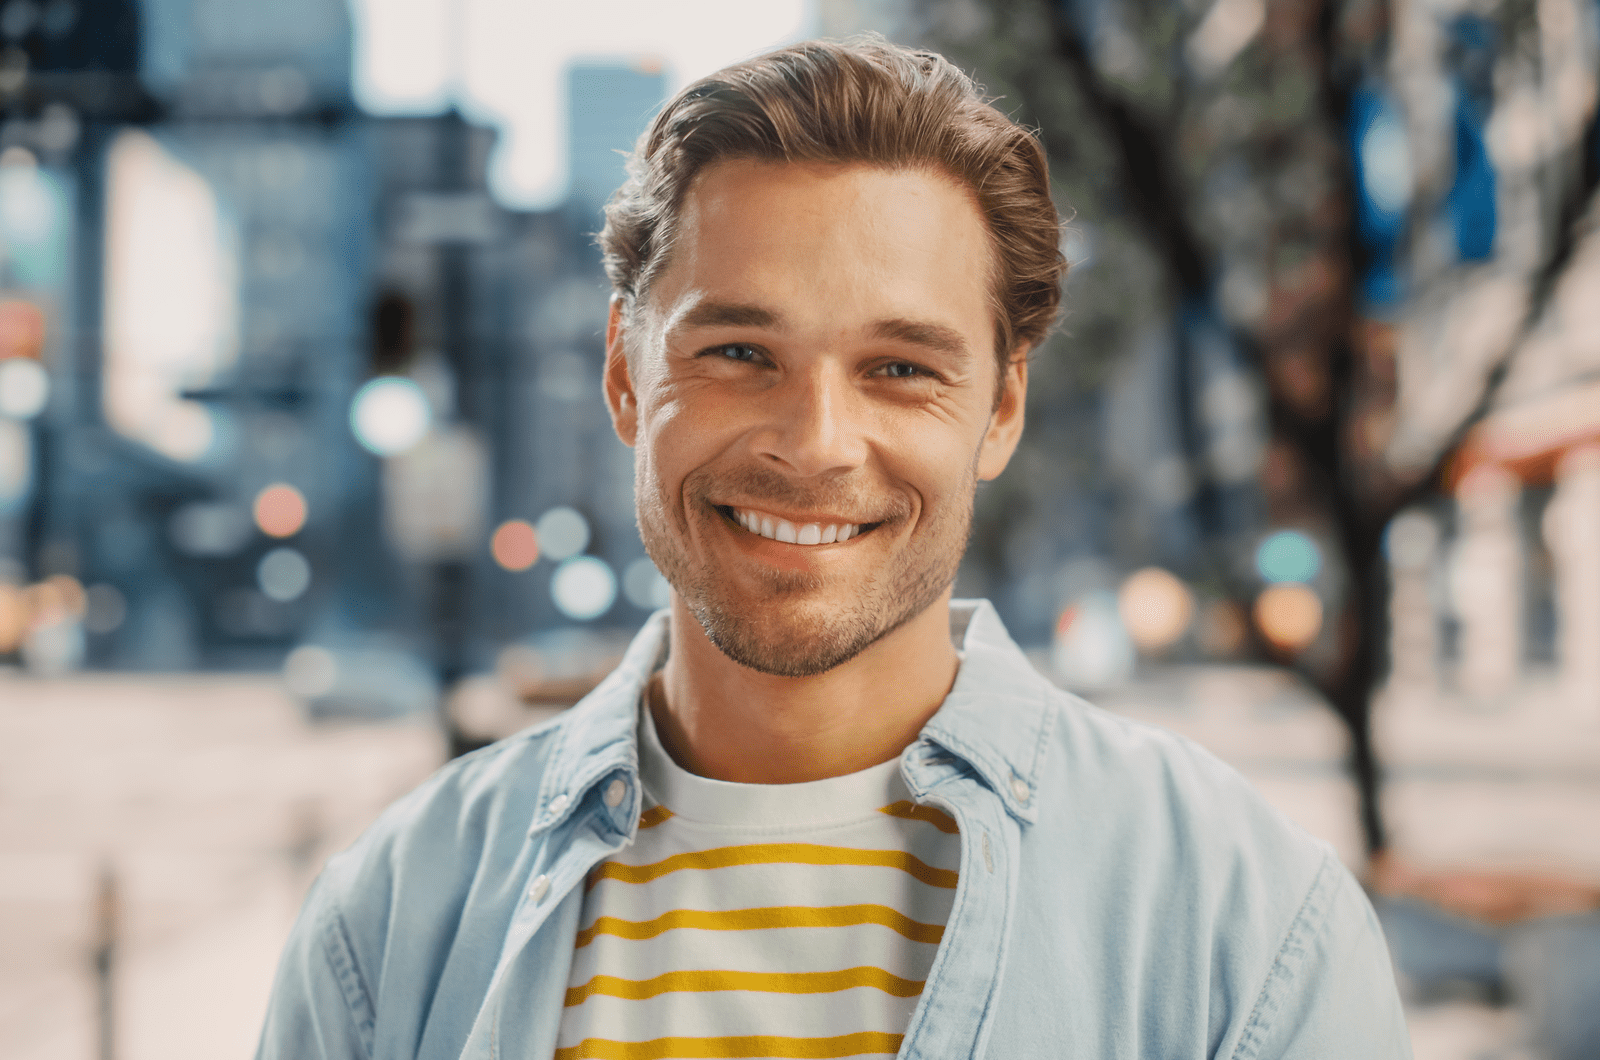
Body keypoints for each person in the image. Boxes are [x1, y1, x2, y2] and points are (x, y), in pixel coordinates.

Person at [257, 36, 1409, 1059]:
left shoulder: (1244, 926)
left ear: (1000, 408)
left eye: (900, 369)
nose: (815, 446)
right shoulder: (392, 921)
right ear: (624, 371)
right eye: (739, 352)